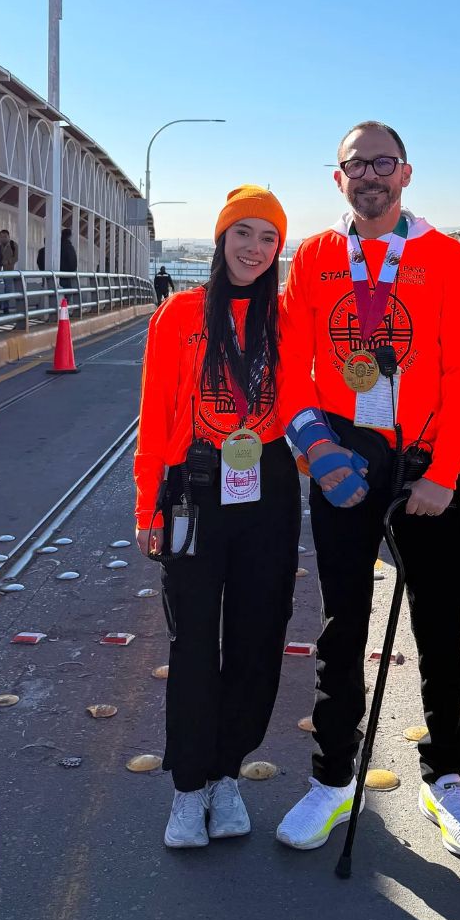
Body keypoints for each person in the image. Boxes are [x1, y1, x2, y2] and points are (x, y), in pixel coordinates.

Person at [276, 121, 460, 857]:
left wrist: (440, 473)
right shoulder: (314, 256)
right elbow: (290, 369)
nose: (369, 174)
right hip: (346, 454)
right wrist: (318, 452)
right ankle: (333, 780)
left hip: (423, 458)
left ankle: (446, 776)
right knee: (342, 623)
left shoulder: (444, 258)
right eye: (355, 164)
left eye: (383, 162)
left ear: (405, 173)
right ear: (339, 180)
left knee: (441, 628)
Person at [134, 186, 300, 849]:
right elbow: (154, 411)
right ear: (221, 238)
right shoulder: (178, 315)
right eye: (243, 233)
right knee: (194, 640)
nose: (254, 248)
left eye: (268, 238)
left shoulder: (287, 319)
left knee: (260, 635)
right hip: (194, 486)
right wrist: (148, 501)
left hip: (269, 482)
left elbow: (312, 394)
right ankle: (187, 786)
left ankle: (227, 774)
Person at [0, 229, 18, 315]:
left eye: (5, 237)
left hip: (8, 270)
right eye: (1, 237)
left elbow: (16, 258)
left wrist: (8, 261)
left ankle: (6, 307)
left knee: (8, 289)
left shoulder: (13, 245)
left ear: (9, 237)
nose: (3, 239)